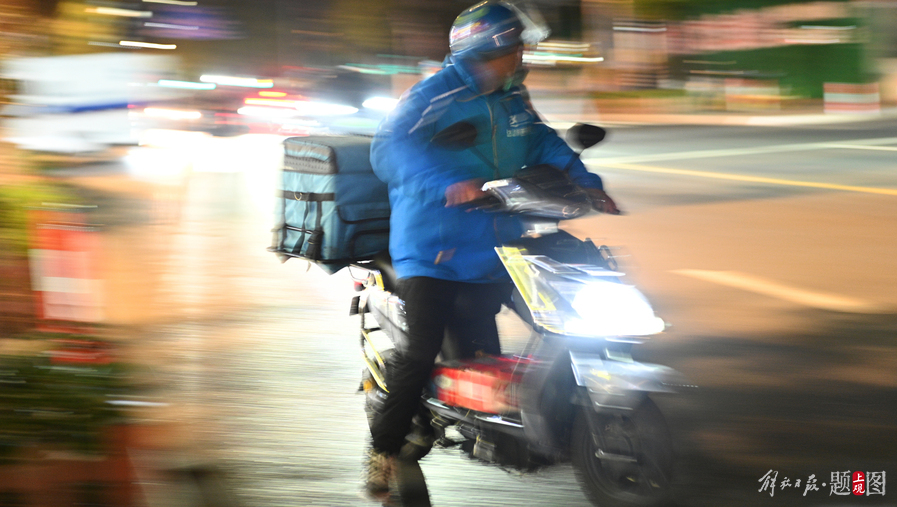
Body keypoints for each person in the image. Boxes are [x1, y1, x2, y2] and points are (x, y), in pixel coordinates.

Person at [364, 0, 619, 496]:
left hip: (499, 245)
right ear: (484, 51)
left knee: (567, 320)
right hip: (434, 252)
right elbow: (390, 148)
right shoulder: (433, 95)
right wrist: (448, 184)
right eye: (514, 49)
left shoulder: (511, 95)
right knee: (418, 355)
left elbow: (543, 142)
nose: (521, 57)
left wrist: (588, 184)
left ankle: (552, 421)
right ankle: (383, 452)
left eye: (522, 48)